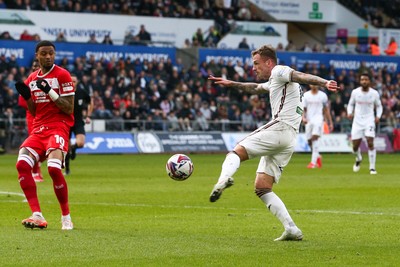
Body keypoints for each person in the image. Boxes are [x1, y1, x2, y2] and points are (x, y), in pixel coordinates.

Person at [208, 44, 339, 241]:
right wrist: (231, 83)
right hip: (289, 138)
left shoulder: (279, 70)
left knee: (235, 153)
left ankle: (223, 179)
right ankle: (292, 229)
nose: (254, 68)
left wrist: (324, 82)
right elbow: (255, 88)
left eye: (256, 63)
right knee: (262, 187)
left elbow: (300, 75)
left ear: (269, 62)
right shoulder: (276, 80)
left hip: (280, 127)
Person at [14, 40, 75, 230]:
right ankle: (37, 214)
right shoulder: (32, 78)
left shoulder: (62, 75)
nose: (48, 56)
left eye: (51, 53)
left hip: (59, 126)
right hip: (39, 128)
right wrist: (27, 96)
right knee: (22, 164)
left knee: (54, 169)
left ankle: (66, 217)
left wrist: (49, 91)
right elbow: (34, 112)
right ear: (37, 56)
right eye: (44, 53)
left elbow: (69, 108)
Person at [347, 73, 382, 175]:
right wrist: (349, 112)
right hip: (357, 121)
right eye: (362, 80)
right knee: (355, 147)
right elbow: (350, 104)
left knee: (370, 142)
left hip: (369, 120)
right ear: (360, 81)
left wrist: (378, 116)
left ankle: (372, 168)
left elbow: (379, 106)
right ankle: (358, 158)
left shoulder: (374, 93)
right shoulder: (355, 92)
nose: (364, 81)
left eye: (366, 80)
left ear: (369, 81)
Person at [17, 59, 44, 182]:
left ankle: (35, 165)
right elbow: (22, 102)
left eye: (37, 66)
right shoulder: (28, 81)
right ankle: (34, 172)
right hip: (33, 117)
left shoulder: (49, 80)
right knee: (34, 145)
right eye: (34, 66)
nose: (35, 68)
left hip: (47, 117)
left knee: (46, 147)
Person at [64, 74, 93, 175]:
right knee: (66, 148)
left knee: (80, 143)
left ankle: (74, 148)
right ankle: (67, 169)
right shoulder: (64, 93)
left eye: (74, 81)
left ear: (77, 82)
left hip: (78, 121)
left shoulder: (81, 92)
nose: (72, 83)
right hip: (66, 122)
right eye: (70, 81)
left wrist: (88, 115)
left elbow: (90, 102)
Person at [302, 85, 333, 168]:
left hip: (319, 119)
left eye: (316, 84)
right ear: (310, 85)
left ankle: (313, 163)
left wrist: (330, 122)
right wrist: (303, 117)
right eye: (312, 84)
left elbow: (326, 109)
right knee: (309, 141)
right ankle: (318, 156)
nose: (314, 85)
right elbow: (303, 108)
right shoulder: (306, 95)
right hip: (309, 120)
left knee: (314, 138)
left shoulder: (323, 95)